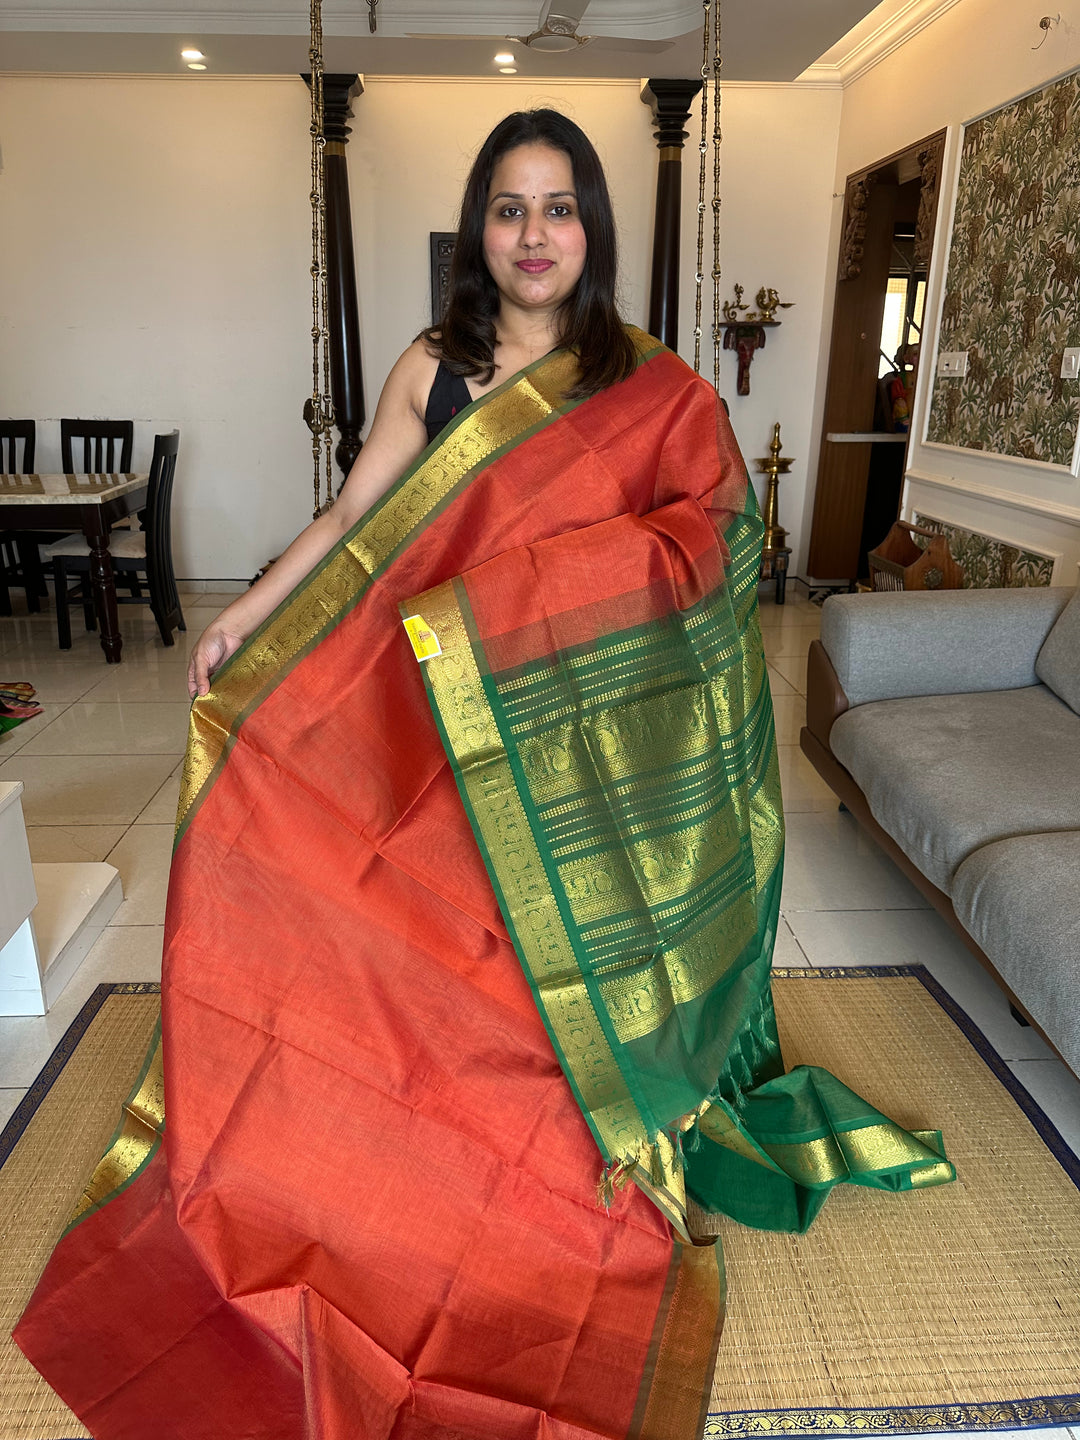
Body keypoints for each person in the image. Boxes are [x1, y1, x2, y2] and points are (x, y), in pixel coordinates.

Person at [16, 110, 953, 1440]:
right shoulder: (432, 368)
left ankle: (531, 1133)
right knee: (294, 857)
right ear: (479, 229)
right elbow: (349, 524)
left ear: (593, 230)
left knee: (518, 975)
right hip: (417, 719)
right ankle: (365, 1127)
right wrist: (241, 618)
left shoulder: (648, 385)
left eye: (560, 207)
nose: (534, 234)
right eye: (509, 209)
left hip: (561, 744)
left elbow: (708, 537)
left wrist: (517, 600)